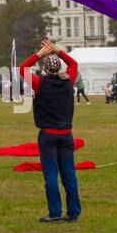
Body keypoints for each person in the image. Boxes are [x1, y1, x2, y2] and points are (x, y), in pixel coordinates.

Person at [19, 40, 81, 223]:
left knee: (51, 173)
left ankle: (55, 212)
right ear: (59, 68)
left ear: (45, 69)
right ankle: (73, 212)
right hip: (66, 134)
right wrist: (58, 51)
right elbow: (74, 64)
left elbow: (22, 68)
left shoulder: (40, 84)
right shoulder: (68, 80)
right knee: (69, 173)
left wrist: (39, 54)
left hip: (47, 135)